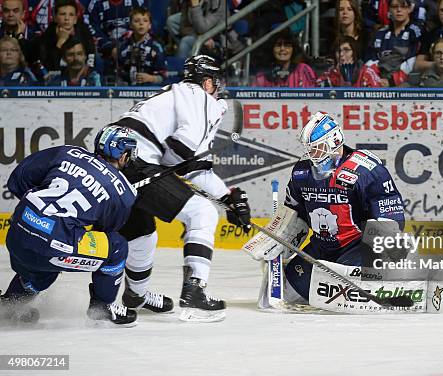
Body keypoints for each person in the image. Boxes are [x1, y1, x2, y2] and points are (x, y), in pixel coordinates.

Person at [111, 55, 251, 322]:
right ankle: (195, 292)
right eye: (216, 84)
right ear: (208, 82)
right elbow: (185, 149)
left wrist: (226, 197)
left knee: (143, 234)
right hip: (135, 161)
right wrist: (171, 171)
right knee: (203, 214)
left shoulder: (173, 94)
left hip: (116, 160)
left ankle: (135, 296)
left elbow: (191, 167)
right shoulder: (200, 97)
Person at [243, 112, 406, 306]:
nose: (312, 155)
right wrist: (277, 242)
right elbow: (295, 214)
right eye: (309, 150)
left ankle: (394, 277)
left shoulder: (365, 170)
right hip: (321, 248)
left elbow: (389, 215)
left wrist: (379, 256)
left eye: (317, 149)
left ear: (334, 142)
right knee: (281, 294)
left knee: (344, 287)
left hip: (355, 248)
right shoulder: (302, 173)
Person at [0, 125, 138, 326]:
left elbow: (18, 179)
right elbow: (107, 230)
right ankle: (102, 307)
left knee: (44, 270)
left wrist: (39, 219)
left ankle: (10, 306)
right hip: (52, 246)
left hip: (16, 234)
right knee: (117, 247)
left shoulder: (67, 152)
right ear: (123, 156)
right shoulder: (123, 192)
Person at [365, 0, 424, 87]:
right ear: (389, 10)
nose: (399, 10)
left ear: (409, 9)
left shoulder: (416, 32)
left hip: (406, 82)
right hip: (379, 81)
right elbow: (371, 61)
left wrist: (392, 81)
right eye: (395, 7)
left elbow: (412, 61)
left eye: (403, 6)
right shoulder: (380, 34)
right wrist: (376, 80)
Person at [36, 0, 95, 73]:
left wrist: (88, 68)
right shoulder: (48, 35)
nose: (67, 18)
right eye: (62, 14)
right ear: (55, 18)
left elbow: (92, 54)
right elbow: (50, 66)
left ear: (75, 19)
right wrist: (60, 42)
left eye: (71, 15)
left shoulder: (83, 31)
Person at [117, 7, 167, 85]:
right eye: (137, 21)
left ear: (150, 25)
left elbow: (163, 76)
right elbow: (118, 72)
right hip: (125, 90)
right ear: (130, 25)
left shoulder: (156, 47)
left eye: (145, 21)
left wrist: (151, 78)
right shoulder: (123, 45)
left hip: (149, 90)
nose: (141, 23)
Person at [253, 30, 317, 87]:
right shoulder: (262, 75)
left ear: (293, 49)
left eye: (287, 46)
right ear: (272, 49)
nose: (282, 49)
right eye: (278, 45)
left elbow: (313, 95)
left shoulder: (303, 70)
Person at [317, 35, 382, 87]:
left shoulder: (367, 72)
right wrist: (337, 76)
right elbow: (317, 91)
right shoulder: (330, 73)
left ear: (354, 53)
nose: (341, 54)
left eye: (346, 50)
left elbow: (374, 98)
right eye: (338, 51)